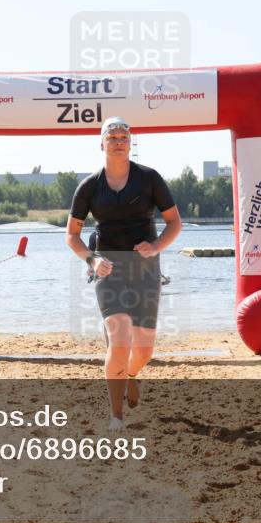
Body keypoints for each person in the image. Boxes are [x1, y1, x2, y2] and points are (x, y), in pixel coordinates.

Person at [66, 116, 182, 431]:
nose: (118, 141)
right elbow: (72, 236)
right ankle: (116, 415)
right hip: (108, 267)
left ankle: (131, 374)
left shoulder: (149, 179)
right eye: (112, 136)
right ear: (101, 143)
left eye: (123, 136)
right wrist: (90, 260)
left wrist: (157, 246)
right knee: (119, 336)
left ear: (130, 143)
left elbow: (175, 223)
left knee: (143, 350)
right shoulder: (89, 186)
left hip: (145, 268)